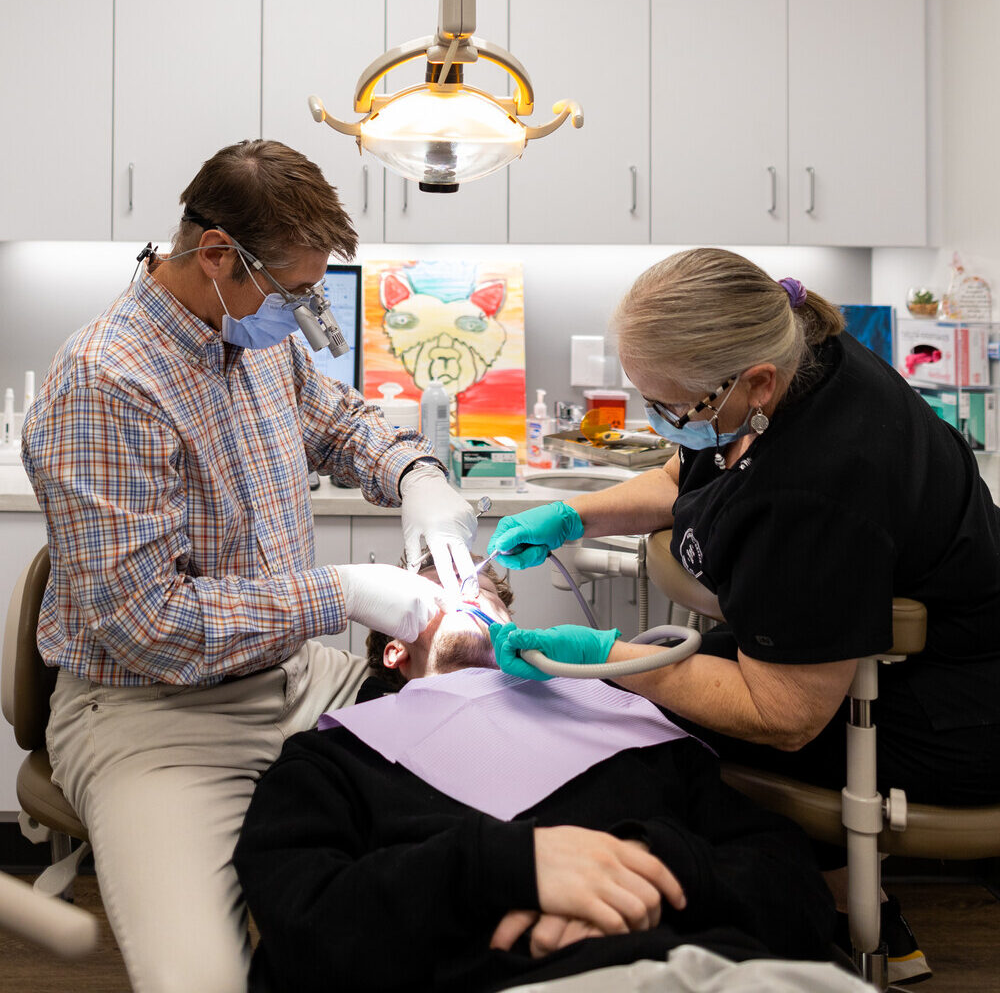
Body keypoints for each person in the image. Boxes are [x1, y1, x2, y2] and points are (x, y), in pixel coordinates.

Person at [19, 139, 478, 993]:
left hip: (297, 679)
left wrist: (416, 474)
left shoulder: (257, 335)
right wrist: (345, 592)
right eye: (293, 293)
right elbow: (150, 626)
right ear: (217, 254)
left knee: (488, 814)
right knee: (199, 981)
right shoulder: (105, 382)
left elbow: (342, 424)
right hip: (156, 716)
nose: (302, 314)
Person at [485, 247, 1000, 985]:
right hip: (886, 665)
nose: (665, 424)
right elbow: (687, 473)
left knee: (659, 731)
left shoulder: (817, 485)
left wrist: (601, 660)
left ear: (755, 383)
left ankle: (816, 928)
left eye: (673, 408)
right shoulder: (792, 357)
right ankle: (862, 912)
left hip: (957, 712)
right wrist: (576, 517)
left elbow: (782, 715)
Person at [233, 560, 839, 993]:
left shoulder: (629, 724)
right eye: (438, 591)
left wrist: (648, 866)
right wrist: (506, 868)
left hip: (705, 968)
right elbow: (305, 923)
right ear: (396, 648)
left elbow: (793, 888)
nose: (466, 591)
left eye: (482, 591)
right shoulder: (339, 759)